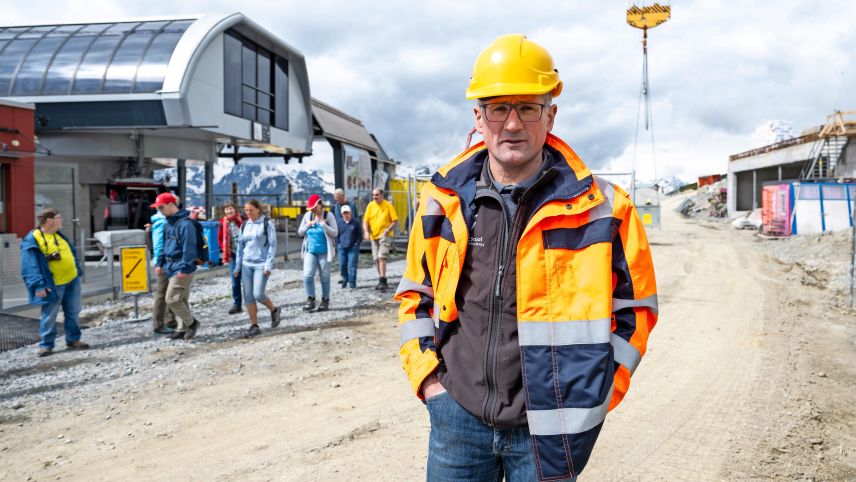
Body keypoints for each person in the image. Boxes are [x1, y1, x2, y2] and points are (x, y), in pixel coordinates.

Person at [394, 34, 658, 481]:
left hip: (551, 431)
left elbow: (636, 310)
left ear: (550, 114)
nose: (512, 124)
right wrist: (430, 381)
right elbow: (415, 295)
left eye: (527, 108)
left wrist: (598, 394)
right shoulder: (443, 201)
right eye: (498, 108)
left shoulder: (606, 208)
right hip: (457, 417)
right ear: (478, 117)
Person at [20, 208, 89, 357]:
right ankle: (46, 345)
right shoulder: (33, 239)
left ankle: (73, 340)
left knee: (73, 311)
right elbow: (29, 266)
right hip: (53, 285)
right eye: (59, 218)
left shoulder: (59, 235)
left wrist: (77, 271)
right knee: (49, 315)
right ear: (50, 220)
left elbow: (70, 253)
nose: (61, 220)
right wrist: (38, 285)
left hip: (72, 280)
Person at [152, 193, 200, 341]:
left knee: (172, 299)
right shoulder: (168, 223)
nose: (159, 210)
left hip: (181, 267)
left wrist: (184, 268)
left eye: (161, 207)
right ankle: (181, 328)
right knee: (181, 299)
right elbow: (165, 246)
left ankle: (192, 323)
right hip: (170, 265)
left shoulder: (186, 224)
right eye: (158, 208)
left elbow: (189, 248)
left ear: (171, 205)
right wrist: (160, 263)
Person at [234, 200, 280, 337]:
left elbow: (272, 245)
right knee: (248, 296)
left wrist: (268, 265)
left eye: (251, 210)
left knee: (258, 294)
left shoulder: (267, 224)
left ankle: (274, 310)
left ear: (258, 210)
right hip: (246, 264)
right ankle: (254, 325)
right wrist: (237, 266)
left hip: (261, 264)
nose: (248, 213)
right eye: (246, 211)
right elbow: (240, 247)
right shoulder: (244, 225)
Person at [297, 194, 338, 312]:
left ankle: (325, 299)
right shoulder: (308, 216)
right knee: (308, 275)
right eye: (311, 208)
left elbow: (335, 233)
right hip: (310, 251)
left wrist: (324, 225)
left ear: (320, 204)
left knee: (324, 276)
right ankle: (311, 299)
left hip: (325, 252)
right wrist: (307, 225)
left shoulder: (328, 215)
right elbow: (300, 232)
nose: (313, 210)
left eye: (314, 207)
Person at [148, 207, 177, 335]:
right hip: (164, 261)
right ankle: (158, 324)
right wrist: (159, 263)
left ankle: (170, 320)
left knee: (169, 291)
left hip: (168, 261)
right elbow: (159, 244)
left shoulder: (163, 221)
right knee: (162, 293)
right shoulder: (162, 222)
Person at [362, 188, 397, 290]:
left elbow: (394, 221)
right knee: (376, 259)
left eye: (377, 195)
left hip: (385, 235)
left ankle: (382, 279)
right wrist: (366, 232)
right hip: (374, 236)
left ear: (382, 195)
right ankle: (381, 279)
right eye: (373, 195)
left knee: (382, 257)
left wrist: (387, 230)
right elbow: (365, 221)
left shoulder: (388, 205)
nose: (374, 197)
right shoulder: (370, 206)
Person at [219, 200, 244, 314]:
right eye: (226, 209)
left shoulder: (242, 220)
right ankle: (237, 304)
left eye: (231, 208)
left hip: (246, 254)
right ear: (224, 211)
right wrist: (225, 249)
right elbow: (219, 238)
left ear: (235, 209)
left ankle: (250, 303)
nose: (229, 211)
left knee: (248, 281)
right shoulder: (223, 223)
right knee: (235, 282)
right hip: (233, 255)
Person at [332, 188, 359, 288]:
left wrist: (356, 240)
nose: (336, 199)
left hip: (351, 236)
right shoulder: (335, 206)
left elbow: (356, 220)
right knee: (342, 263)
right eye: (335, 197)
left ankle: (352, 282)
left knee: (352, 263)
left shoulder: (351, 205)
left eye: (337, 197)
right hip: (341, 237)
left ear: (343, 196)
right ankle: (344, 277)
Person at [335, 204, 362, 289]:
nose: (346, 215)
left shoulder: (356, 222)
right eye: (344, 213)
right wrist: (338, 243)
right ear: (342, 214)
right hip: (342, 247)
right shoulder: (339, 222)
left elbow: (360, 234)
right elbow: (336, 234)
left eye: (347, 213)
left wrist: (357, 244)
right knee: (342, 265)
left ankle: (352, 283)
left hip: (353, 248)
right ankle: (345, 279)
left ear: (350, 213)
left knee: (352, 266)